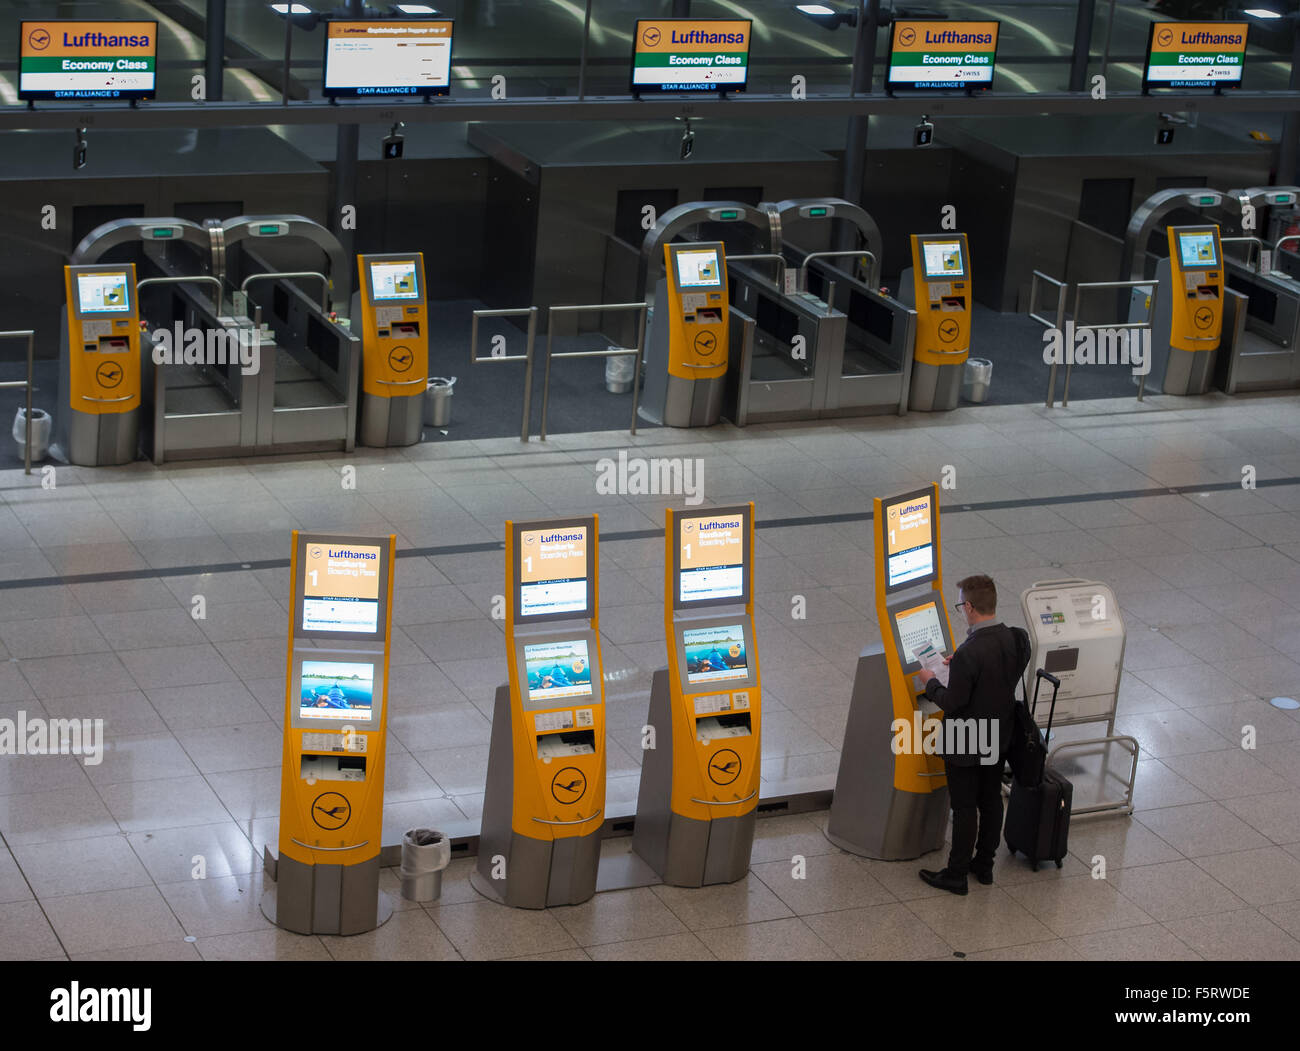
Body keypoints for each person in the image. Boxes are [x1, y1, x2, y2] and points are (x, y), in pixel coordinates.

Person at [913, 573, 1030, 895]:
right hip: (998, 733)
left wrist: (930, 681)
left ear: (969, 606)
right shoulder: (1015, 639)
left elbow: (952, 702)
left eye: (959, 606)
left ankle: (956, 873)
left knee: (964, 806)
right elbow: (998, 677)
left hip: (966, 738)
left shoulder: (970, 652)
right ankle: (985, 865)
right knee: (991, 800)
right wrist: (961, 667)